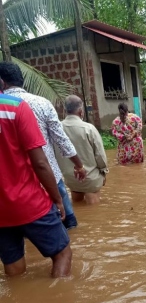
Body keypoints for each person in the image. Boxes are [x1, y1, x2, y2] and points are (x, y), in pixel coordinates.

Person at [0, 62, 86, 230]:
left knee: (20, 236)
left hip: (12, 185)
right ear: (22, 80)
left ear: (2, 82)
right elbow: (61, 140)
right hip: (49, 175)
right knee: (69, 227)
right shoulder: (42, 103)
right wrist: (79, 165)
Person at [0, 89, 72, 277]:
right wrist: (57, 199)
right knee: (62, 252)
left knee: (13, 264)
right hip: (28, 201)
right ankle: (60, 301)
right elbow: (40, 163)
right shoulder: (15, 107)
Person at [59, 95, 108, 204]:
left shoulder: (57, 128)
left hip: (70, 178)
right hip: (90, 177)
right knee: (94, 209)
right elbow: (100, 156)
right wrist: (104, 172)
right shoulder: (88, 129)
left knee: (77, 205)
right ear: (81, 111)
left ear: (65, 110)